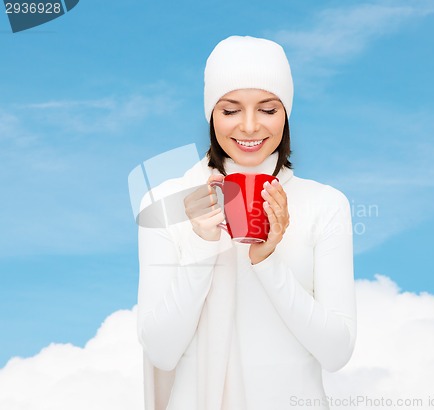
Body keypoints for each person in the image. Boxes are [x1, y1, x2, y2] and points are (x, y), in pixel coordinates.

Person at [136, 35, 356, 410]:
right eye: (230, 110)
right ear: (210, 114)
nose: (250, 127)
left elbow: (336, 352)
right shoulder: (165, 203)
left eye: (268, 110)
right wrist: (201, 245)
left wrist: (267, 261)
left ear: (286, 114)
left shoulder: (326, 204)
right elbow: (161, 352)